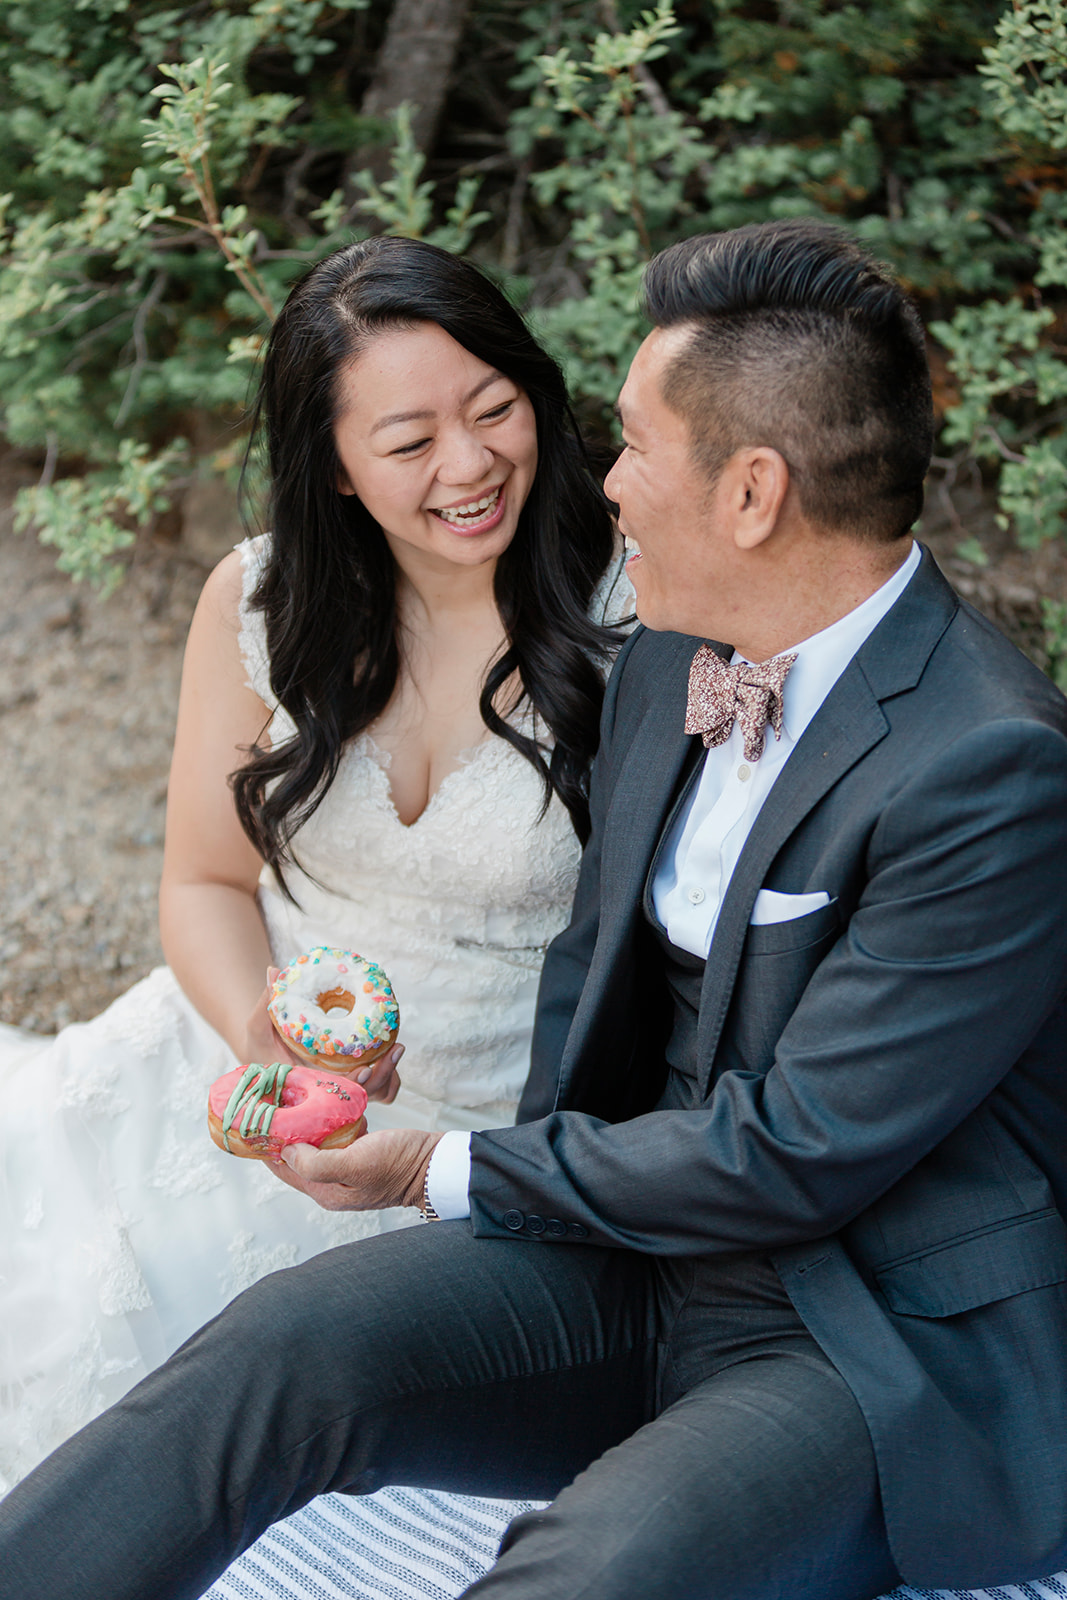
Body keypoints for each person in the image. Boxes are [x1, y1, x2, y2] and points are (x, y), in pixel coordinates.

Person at [5, 218, 1067, 1600]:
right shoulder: (672, 656)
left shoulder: (989, 763)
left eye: (627, 444)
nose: (600, 483)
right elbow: (587, 992)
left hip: (864, 1331)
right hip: (632, 1256)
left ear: (749, 493)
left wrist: (435, 1170)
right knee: (273, 1355)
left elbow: (795, 1149)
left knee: (583, 1573)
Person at [0, 235, 629, 1491]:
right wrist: (260, 1042)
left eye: (494, 407)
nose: (469, 465)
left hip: (468, 1142)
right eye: (406, 442)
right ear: (334, 468)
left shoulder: (638, 606)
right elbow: (203, 883)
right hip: (229, 1056)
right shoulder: (263, 597)